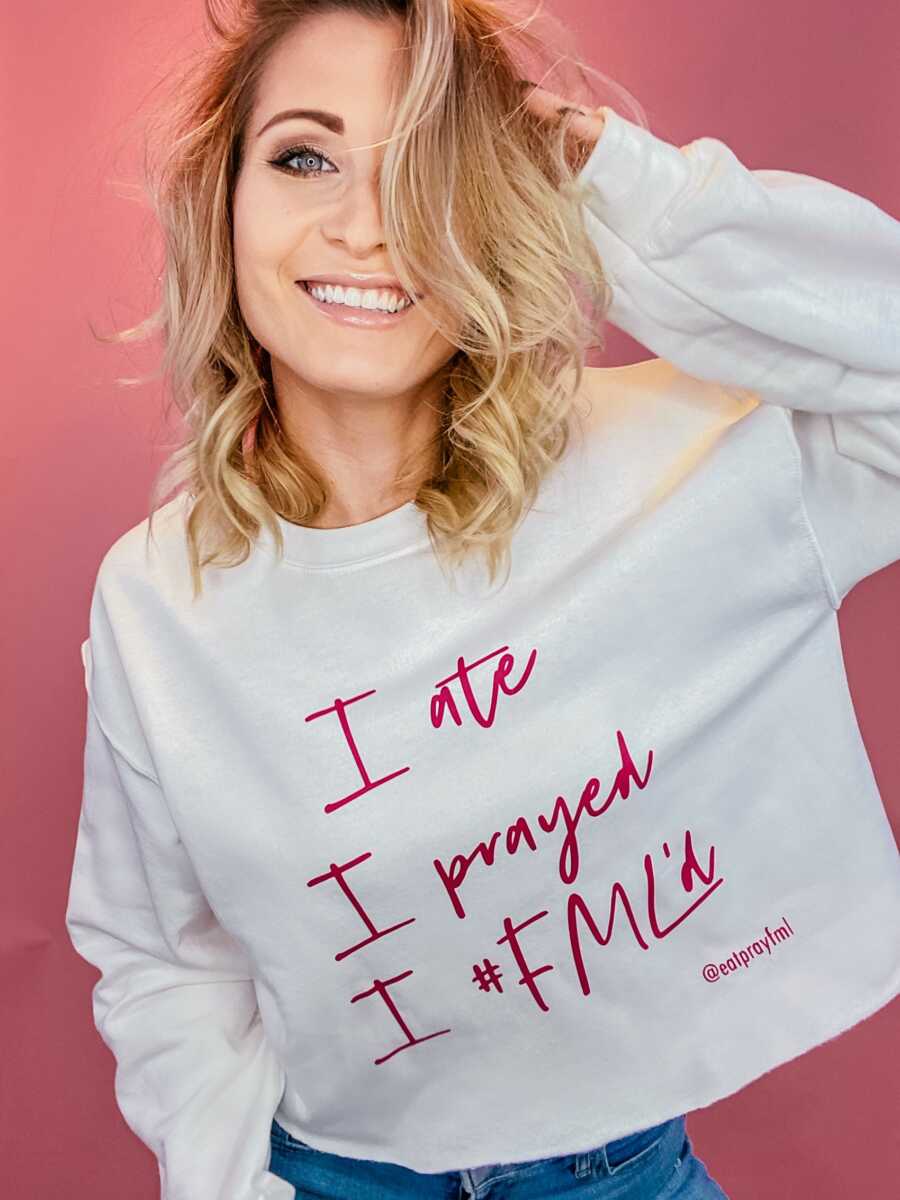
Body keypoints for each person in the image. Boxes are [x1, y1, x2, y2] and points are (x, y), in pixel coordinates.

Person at [64, 1, 900, 1198]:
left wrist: (622, 189)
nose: (363, 225)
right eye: (305, 157)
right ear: (227, 203)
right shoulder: (155, 601)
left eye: (426, 169)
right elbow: (158, 956)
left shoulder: (684, 461)